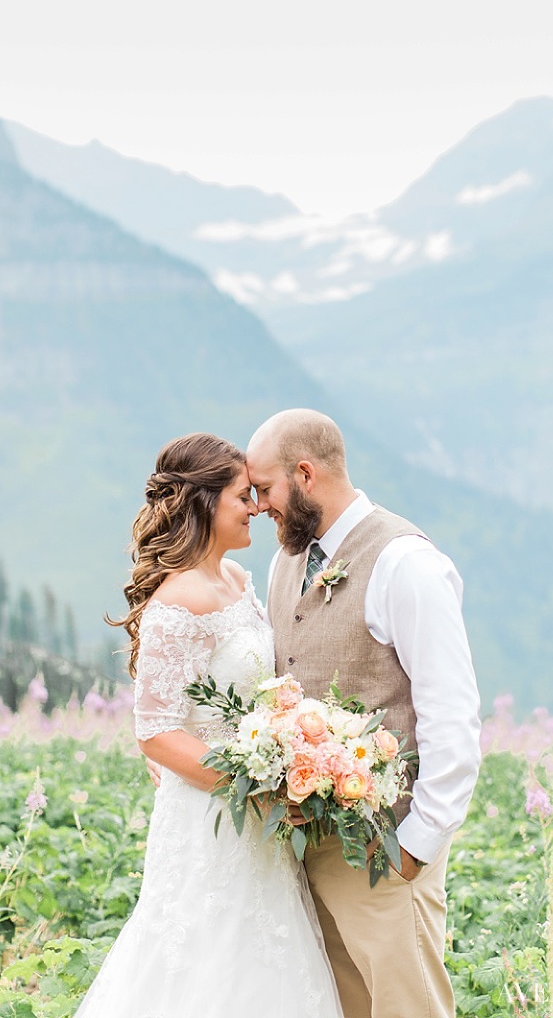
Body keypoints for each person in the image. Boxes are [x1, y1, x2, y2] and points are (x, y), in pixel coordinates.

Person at [75, 432, 343, 1018]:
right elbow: (155, 731)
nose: (256, 507)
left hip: (261, 823)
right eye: (242, 496)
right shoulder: (178, 603)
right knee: (205, 966)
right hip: (213, 819)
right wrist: (255, 783)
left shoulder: (240, 583)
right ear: (204, 503)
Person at [245, 409, 481, 1018]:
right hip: (307, 852)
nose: (258, 504)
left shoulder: (406, 563)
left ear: (305, 474)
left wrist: (415, 847)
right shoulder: (285, 563)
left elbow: (452, 717)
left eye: (265, 488)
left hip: (388, 850)